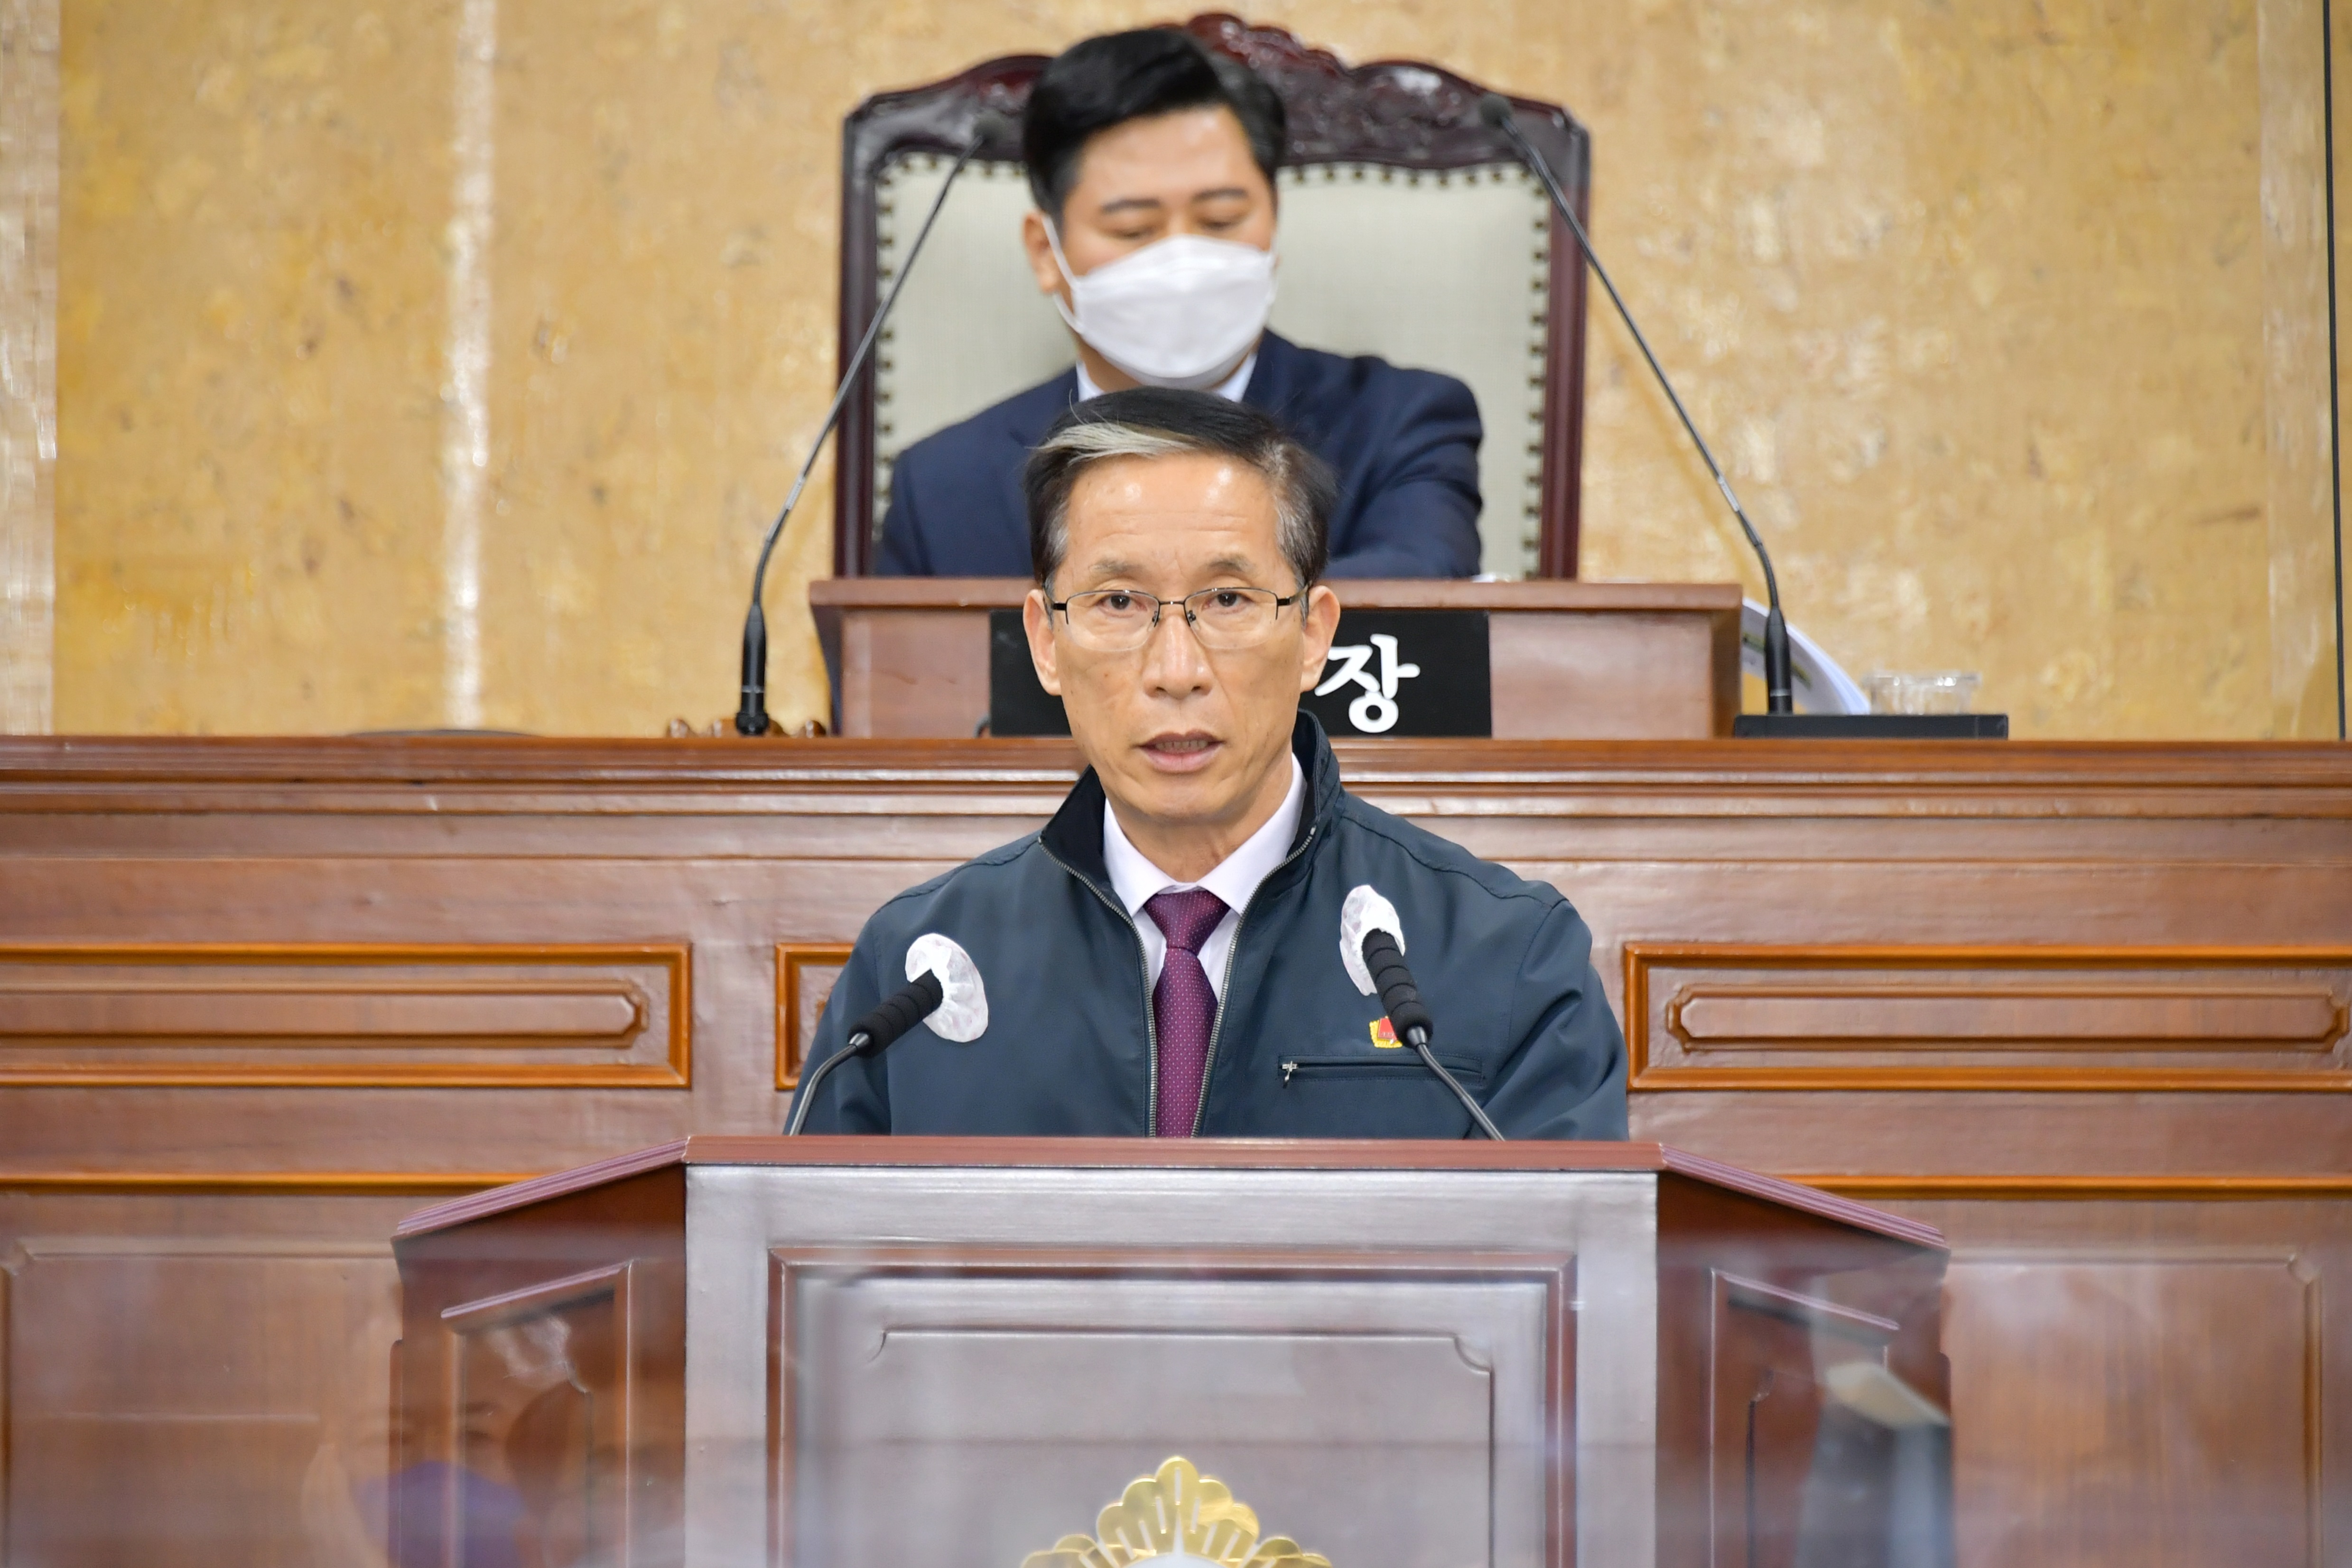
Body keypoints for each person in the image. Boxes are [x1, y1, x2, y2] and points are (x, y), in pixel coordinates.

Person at [791, 389, 1624, 1138]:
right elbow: (813, 1280)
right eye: (1119, 603)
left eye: (1227, 600)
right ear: (1046, 641)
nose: (1175, 669)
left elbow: (1566, 1292)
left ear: (1313, 635)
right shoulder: (917, 971)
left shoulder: (1505, 957)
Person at [874, 28, 1485, 581]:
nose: (1183, 261)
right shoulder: (942, 487)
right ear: (1045, 251)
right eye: (1135, 229)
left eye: (1221, 219)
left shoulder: (1401, 425)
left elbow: (1420, 605)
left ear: (1273, 221)